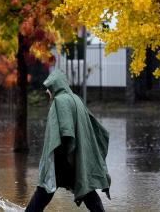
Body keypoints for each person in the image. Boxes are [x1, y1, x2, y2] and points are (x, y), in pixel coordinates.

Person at [25, 69, 111, 212]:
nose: (47, 92)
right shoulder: (76, 99)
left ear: (56, 86)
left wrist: (62, 157)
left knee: (44, 189)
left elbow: (66, 131)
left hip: (63, 155)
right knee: (86, 188)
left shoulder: (60, 101)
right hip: (76, 154)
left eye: (49, 88)